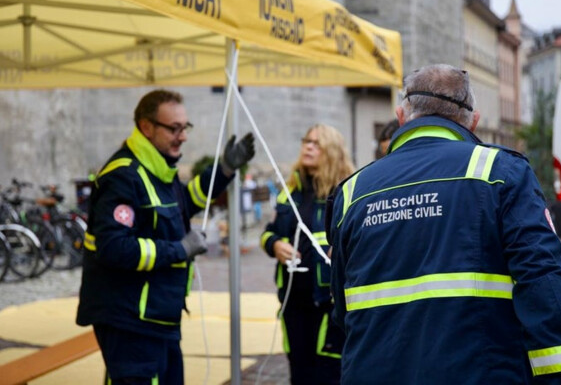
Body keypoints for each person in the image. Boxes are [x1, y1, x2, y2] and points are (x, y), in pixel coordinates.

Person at [327, 64, 561, 384]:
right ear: (473, 121)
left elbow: (342, 307)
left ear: (400, 116)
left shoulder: (352, 192)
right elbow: (544, 288)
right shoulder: (502, 173)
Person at [76, 89, 255, 385]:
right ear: (146, 127)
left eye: (185, 127)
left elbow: (184, 201)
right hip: (131, 320)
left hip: (158, 316)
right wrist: (179, 250)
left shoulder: (158, 167)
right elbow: (113, 247)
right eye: (174, 128)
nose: (183, 136)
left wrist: (223, 170)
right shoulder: (122, 176)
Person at [260, 124, 355, 385]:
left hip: (330, 304)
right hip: (293, 302)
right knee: (299, 373)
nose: (308, 146)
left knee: (327, 374)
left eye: (316, 143)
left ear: (332, 152)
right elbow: (268, 232)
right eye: (306, 141)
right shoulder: (289, 192)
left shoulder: (344, 192)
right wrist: (275, 244)